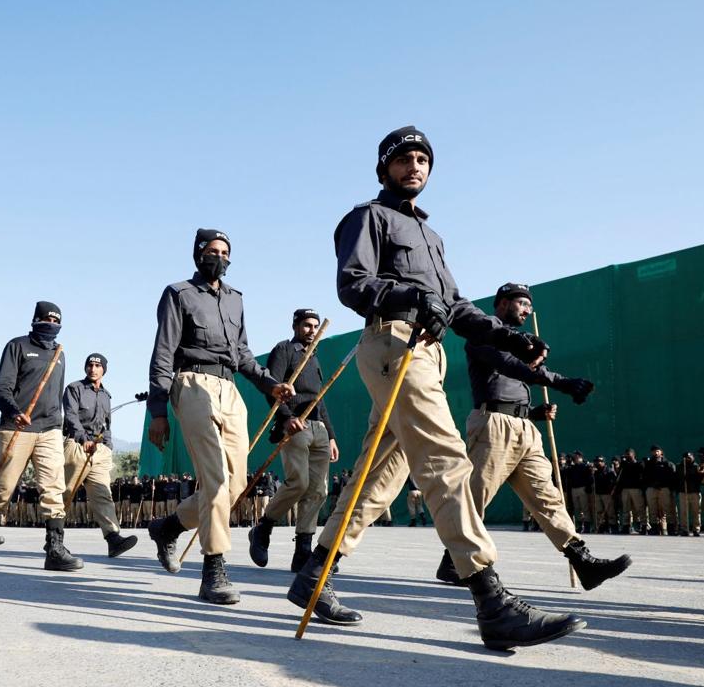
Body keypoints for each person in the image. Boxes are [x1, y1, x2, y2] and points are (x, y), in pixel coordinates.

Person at [290, 127, 588, 650]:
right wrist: (408, 293)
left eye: (423, 158)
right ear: (384, 168)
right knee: (447, 459)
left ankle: (315, 574)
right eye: (403, 158)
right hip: (392, 342)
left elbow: (457, 306)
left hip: (427, 352)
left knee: (379, 474)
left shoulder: (432, 237)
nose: (415, 166)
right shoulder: (367, 217)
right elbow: (353, 284)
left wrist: (511, 341)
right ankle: (491, 599)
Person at [433, 281, 630, 593]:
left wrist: (534, 412)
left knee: (547, 496)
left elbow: (520, 380)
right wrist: (560, 380)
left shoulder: (523, 344)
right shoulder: (481, 332)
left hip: (524, 427)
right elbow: (507, 366)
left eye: (529, 306)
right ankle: (453, 561)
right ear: (502, 302)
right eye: (521, 303)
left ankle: (582, 561)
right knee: (476, 496)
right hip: (493, 422)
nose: (526, 310)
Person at [145, 228, 294, 604]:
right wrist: (158, 412)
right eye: (212, 250)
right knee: (213, 480)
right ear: (198, 253)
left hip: (231, 389)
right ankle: (213, 569)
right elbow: (163, 354)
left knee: (234, 486)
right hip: (192, 383)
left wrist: (270, 385)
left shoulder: (235, 300)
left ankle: (168, 527)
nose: (220, 257)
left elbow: (243, 354)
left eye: (225, 252)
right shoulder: (179, 294)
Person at [0, 301, 80, 571]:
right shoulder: (17, 346)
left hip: (50, 429)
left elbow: (56, 393)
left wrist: (60, 423)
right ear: (35, 320)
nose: (51, 325)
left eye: (56, 322)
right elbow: (2, 388)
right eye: (47, 320)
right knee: (3, 488)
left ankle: (54, 548)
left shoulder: (59, 353)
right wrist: (15, 411)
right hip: (17, 427)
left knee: (54, 487)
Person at [248, 309, 340, 571]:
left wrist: (331, 436)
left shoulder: (314, 359)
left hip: (318, 427)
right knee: (298, 482)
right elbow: (271, 388)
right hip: (295, 425)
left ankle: (303, 550)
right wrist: (286, 417)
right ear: (296, 326)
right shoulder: (285, 350)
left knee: (318, 490)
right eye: (307, 326)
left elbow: (319, 401)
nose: (312, 330)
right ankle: (263, 528)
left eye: (315, 326)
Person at [63, 353, 137, 558]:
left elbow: (107, 424)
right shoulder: (74, 388)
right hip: (78, 446)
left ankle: (113, 539)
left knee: (103, 494)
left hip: (100, 450)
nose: (93, 368)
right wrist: (82, 438)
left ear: (104, 369)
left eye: (97, 365)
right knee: (64, 494)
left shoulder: (106, 395)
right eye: (90, 364)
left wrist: (108, 446)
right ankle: (54, 539)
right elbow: (70, 416)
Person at [642, 445, 676, 535]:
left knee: (667, 509)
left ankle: (670, 529)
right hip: (651, 489)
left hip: (664, 489)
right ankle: (654, 528)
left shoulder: (668, 463)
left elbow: (672, 477)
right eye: (653, 451)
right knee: (652, 509)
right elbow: (644, 477)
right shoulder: (648, 464)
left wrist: (668, 487)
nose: (656, 453)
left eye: (657, 451)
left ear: (661, 452)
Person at [616, 449, 646, 534]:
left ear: (633, 455)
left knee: (639, 508)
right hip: (625, 489)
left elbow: (640, 471)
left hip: (636, 488)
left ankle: (644, 525)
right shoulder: (624, 465)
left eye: (629, 454)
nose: (627, 456)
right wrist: (622, 463)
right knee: (626, 508)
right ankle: (626, 526)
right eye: (626, 454)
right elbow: (619, 475)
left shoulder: (638, 464)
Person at [565, 450, 594, 533]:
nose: (574, 458)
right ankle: (579, 525)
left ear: (580, 457)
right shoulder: (572, 468)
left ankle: (587, 526)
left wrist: (587, 487)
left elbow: (590, 478)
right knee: (577, 508)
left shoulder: (585, 466)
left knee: (585, 508)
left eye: (576, 457)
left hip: (582, 488)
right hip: (574, 489)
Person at [677, 452, 703, 536]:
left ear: (693, 457)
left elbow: (700, 479)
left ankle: (696, 529)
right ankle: (685, 529)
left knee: (696, 512)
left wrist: (692, 477)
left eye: (690, 457)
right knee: (683, 512)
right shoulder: (680, 466)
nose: (688, 459)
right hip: (683, 492)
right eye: (686, 458)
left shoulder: (696, 466)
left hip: (694, 492)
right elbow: (676, 477)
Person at [592, 456, 617, 533]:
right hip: (598, 493)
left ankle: (612, 526)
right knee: (599, 511)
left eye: (600, 461)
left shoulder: (609, 471)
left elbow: (613, 482)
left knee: (610, 511)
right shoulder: (595, 472)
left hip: (607, 494)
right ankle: (601, 526)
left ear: (604, 462)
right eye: (597, 461)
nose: (598, 463)